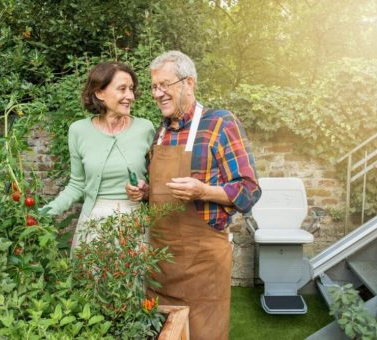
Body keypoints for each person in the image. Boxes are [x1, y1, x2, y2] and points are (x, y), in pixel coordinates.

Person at [126, 51, 260, 340]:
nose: (157, 94)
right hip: (160, 263)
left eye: (164, 85)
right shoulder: (160, 132)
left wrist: (204, 191)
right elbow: (164, 193)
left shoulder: (220, 124)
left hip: (203, 266)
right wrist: (147, 192)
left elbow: (250, 189)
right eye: (153, 87)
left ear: (189, 83)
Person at [42, 61, 154, 253]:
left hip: (134, 224)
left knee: (132, 281)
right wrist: (44, 213)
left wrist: (146, 192)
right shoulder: (78, 131)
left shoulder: (145, 128)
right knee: (91, 281)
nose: (130, 96)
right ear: (99, 92)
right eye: (122, 89)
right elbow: (76, 185)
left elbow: (158, 182)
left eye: (131, 89)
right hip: (93, 224)